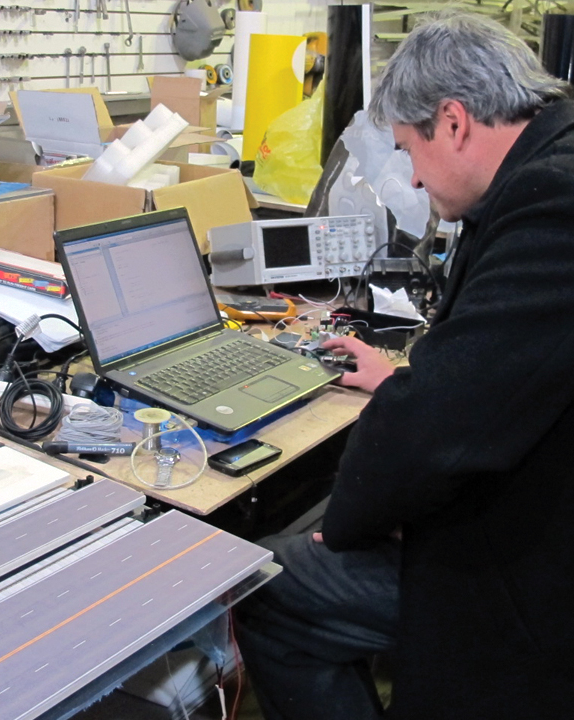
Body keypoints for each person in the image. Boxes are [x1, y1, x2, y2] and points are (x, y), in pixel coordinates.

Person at [235, 10, 574, 720]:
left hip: (537, 573)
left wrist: (355, 523)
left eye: (406, 151)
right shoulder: (549, 168)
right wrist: (402, 384)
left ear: (452, 123)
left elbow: (435, 432)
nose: (412, 182)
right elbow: (502, 373)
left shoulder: (554, 205)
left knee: (270, 582)